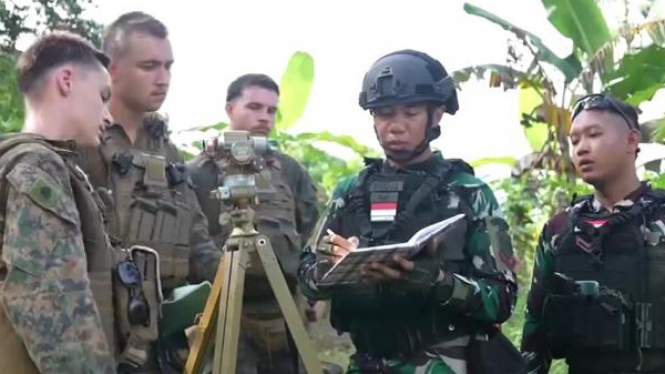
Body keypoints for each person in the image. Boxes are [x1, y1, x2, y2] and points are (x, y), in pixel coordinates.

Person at [297, 49, 520, 374]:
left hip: (443, 364)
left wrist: (431, 280)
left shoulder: (468, 193)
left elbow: (502, 298)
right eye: (384, 114)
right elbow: (306, 278)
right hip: (367, 362)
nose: (396, 126)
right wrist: (332, 267)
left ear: (437, 115)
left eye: (411, 113)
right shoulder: (349, 192)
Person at [76, 11, 221, 372]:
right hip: (97, 334)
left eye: (168, 66)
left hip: (164, 335)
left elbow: (195, 232)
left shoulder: (168, 151)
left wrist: (233, 274)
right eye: (149, 66)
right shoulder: (81, 140)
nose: (163, 79)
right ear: (111, 69)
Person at [186, 73, 341, 374]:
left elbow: (312, 233)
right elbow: (192, 240)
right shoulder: (198, 171)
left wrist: (317, 291)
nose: (264, 117)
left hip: (285, 310)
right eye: (254, 107)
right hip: (225, 311)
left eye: (271, 110)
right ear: (230, 109)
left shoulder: (289, 170)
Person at [521, 94, 665, 374]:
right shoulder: (560, 230)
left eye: (594, 135)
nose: (582, 148)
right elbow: (535, 329)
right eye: (574, 141)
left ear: (632, 141)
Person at [0, 30, 116, 374]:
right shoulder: (39, 165)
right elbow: (50, 301)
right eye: (103, 95)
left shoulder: (23, 163)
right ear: (66, 81)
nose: (108, 116)